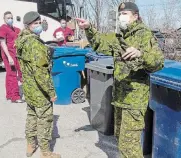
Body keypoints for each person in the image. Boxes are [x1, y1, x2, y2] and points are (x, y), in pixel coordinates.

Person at [76, 2, 164, 158]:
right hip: (119, 98)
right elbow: (99, 44)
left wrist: (141, 54)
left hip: (134, 100)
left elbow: (158, 62)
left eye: (125, 14)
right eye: (120, 14)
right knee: (121, 140)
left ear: (135, 16)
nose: (121, 17)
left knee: (129, 146)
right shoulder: (121, 35)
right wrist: (89, 28)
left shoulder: (145, 35)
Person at [15, 11, 60, 158]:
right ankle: (46, 152)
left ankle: (30, 145)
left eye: (40, 23)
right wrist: (51, 92)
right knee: (45, 120)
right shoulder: (35, 44)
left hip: (28, 88)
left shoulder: (22, 40)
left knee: (32, 116)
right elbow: (41, 73)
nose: (39, 25)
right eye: (36, 23)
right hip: (39, 91)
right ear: (28, 26)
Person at [0, 11, 24, 103]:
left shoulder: (16, 29)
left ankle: (9, 94)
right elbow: (3, 43)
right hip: (9, 54)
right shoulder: (2, 29)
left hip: (16, 54)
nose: (10, 19)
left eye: (11, 17)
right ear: (4, 19)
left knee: (11, 74)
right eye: (8, 18)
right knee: (12, 74)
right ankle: (15, 97)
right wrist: (9, 57)